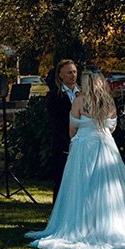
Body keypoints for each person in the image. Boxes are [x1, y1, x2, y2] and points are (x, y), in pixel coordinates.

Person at [26, 72, 125, 249]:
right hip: (105, 144)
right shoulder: (109, 102)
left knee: (82, 184)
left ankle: (81, 222)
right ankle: (108, 220)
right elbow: (112, 127)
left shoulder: (80, 101)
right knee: (107, 185)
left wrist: (76, 140)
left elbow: (72, 128)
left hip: (83, 146)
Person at [46, 59, 78, 199]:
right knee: (61, 181)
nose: (73, 75)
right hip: (63, 144)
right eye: (69, 72)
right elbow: (56, 123)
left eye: (75, 72)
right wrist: (70, 140)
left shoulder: (83, 94)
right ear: (61, 75)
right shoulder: (54, 96)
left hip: (83, 143)